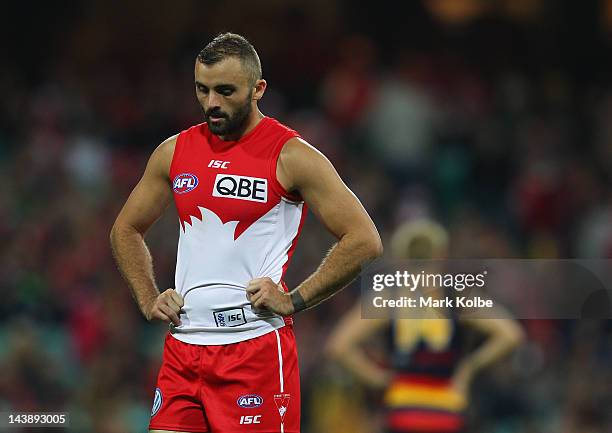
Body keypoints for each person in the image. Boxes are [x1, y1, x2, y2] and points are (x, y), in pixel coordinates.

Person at [109, 32, 382, 433]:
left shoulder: (292, 156)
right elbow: (125, 229)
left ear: (258, 89)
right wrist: (148, 296)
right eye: (202, 90)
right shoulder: (174, 151)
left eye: (225, 91)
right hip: (184, 348)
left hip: (253, 352)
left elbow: (365, 240)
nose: (212, 103)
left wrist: (294, 299)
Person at [326, 219, 523, 433]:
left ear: (401, 258)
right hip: (447, 409)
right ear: (441, 254)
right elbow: (511, 334)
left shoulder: (388, 297)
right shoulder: (456, 297)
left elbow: (338, 346)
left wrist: (379, 379)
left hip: (403, 408)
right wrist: (469, 367)